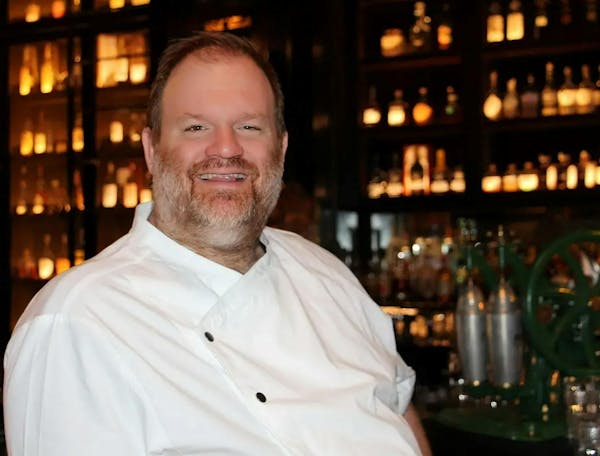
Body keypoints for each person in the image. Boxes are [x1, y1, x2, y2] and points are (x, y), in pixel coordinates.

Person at [3, 31, 432, 455]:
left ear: (280, 148)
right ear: (151, 151)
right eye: (195, 127)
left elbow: (397, 410)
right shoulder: (73, 324)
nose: (226, 148)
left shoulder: (325, 272)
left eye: (249, 126)